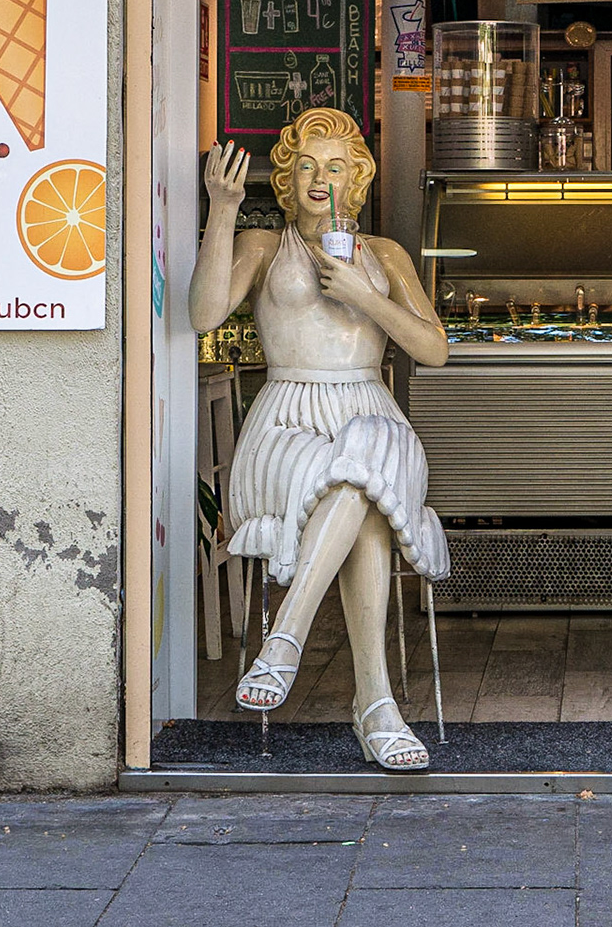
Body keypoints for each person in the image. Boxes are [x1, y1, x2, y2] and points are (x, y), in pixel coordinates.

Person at [189, 108, 449, 771]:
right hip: (288, 421)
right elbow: (202, 314)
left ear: (355, 178)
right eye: (306, 165)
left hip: (369, 407)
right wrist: (222, 210)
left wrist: (367, 296)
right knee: (362, 486)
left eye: (335, 167)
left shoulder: (383, 254)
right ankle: (376, 705)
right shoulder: (263, 244)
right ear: (287, 176)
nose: (319, 179)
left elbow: (434, 347)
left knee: (366, 459)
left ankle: (285, 641)